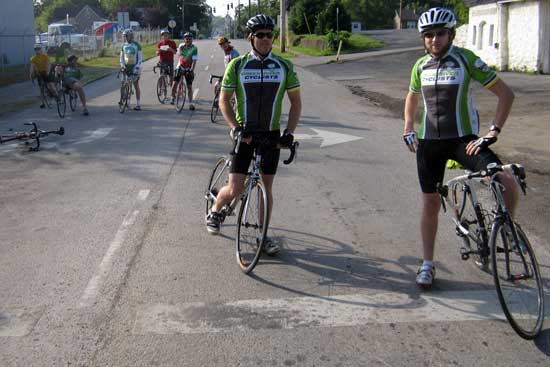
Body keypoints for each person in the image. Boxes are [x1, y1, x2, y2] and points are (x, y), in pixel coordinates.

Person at [403, 7, 517, 288]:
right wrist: (407, 127)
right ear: (422, 38)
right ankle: (427, 264)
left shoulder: (466, 60)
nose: (434, 40)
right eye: (428, 35)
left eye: (440, 34)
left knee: (506, 179)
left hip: (463, 141)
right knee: (429, 203)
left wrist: (493, 132)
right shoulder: (420, 66)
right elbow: (411, 97)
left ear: (451, 34)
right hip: (429, 144)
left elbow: (506, 94)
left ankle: (507, 229)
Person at [205, 15, 302, 256]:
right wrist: (236, 127)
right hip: (244, 133)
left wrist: (289, 133)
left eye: (270, 35)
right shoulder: (237, 65)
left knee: (266, 190)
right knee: (236, 187)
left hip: (270, 134)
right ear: (251, 38)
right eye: (260, 35)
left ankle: (263, 235)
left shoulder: (284, 66)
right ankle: (216, 208)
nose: (266, 39)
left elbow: (296, 103)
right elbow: (224, 101)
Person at [173, 32, 198, 109]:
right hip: (180, 66)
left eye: (189, 39)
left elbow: (194, 61)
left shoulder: (194, 48)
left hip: (188, 68)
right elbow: (180, 56)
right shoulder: (181, 46)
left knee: (189, 86)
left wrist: (192, 70)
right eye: (186, 39)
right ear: (184, 39)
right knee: (175, 83)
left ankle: (190, 103)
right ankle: (173, 96)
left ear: (192, 40)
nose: (188, 40)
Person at [120, 28, 143, 110]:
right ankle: (124, 100)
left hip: (135, 68)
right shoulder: (123, 45)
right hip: (126, 68)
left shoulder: (137, 45)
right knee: (123, 84)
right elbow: (121, 58)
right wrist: (122, 65)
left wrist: (137, 67)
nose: (125, 37)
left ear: (131, 36)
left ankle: (138, 104)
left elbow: (140, 59)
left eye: (127, 36)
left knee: (136, 85)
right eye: (124, 36)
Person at [156, 29, 177, 99]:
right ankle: (161, 90)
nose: (165, 36)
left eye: (166, 35)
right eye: (163, 35)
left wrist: (170, 49)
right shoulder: (160, 43)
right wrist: (159, 51)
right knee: (161, 76)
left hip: (170, 61)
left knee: (171, 78)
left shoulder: (172, 43)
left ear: (168, 35)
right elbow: (156, 53)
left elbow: (175, 52)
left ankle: (173, 92)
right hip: (162, 61)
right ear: (162, 36)